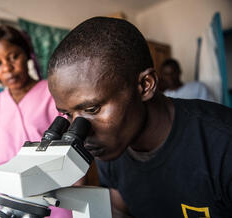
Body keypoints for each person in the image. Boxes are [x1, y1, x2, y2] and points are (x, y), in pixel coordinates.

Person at [47, 17, 232, 218]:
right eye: (67, 113)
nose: (81, 131)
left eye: (92, 109)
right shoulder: (110, 147)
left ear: (145, 85)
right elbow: (122, 208)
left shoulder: (223, 144)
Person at [0, 25, 72, 218]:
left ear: (26, 55)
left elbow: (76, 150)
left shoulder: (53, 94)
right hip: (6, 207)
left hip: (54, 205)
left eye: (13, 57)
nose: (7, 68)